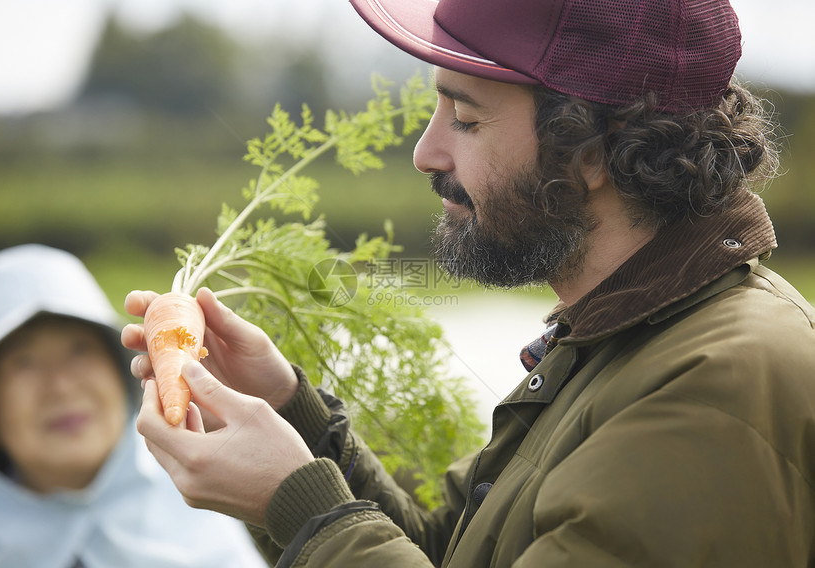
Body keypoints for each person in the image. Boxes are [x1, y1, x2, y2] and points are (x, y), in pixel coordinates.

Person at [126, 0, 815, 566]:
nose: (427, 152)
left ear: (592, 151)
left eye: (466, 118)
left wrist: (299, 503)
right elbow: (450, 552)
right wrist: (290, 418)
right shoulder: (616, 340)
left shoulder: (719, 383)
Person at [0, 244, 269, 568]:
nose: (61, 386)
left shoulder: (204, 519)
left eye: (80, 350)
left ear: (121, 374)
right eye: (23, 363)